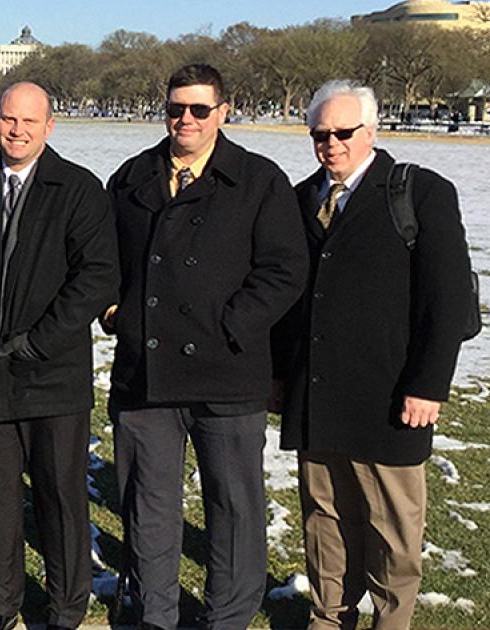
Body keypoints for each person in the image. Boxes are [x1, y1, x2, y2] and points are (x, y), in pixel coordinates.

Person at [103, 63, 307, 630]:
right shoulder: (131, 177)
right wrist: (115, 311)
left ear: (222, 112)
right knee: (148, 508)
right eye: (176, 108)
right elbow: (103, 259)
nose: (185, 119)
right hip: (145, 375)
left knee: (234, 509)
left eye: (199, 109)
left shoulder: (259, 180)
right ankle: (155, 614)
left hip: (228, 372)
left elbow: (285, 270)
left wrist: (231, 325)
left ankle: (228, 618)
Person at [272, 80, 472, 630]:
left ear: (371, 131)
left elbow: (449, 299)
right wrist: (278, 374)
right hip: (316, 396)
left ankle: (391, 621)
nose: (331, 144)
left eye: (343, 132)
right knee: (325, 522)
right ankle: (329, 616)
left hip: (391, 398)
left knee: (392, 532)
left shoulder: (418, 192)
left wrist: (428, 384)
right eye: (320, 134)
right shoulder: (302, 197)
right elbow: (289, 299)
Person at [0, 82, 119, 630]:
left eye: (28, 121)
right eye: (8, 119)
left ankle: (66, 605)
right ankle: (0, 600)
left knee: (59, 496)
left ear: (49, 126)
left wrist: (39, 341)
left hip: (53, 373)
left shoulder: (78, 188)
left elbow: (96, 277)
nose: (16, 131)